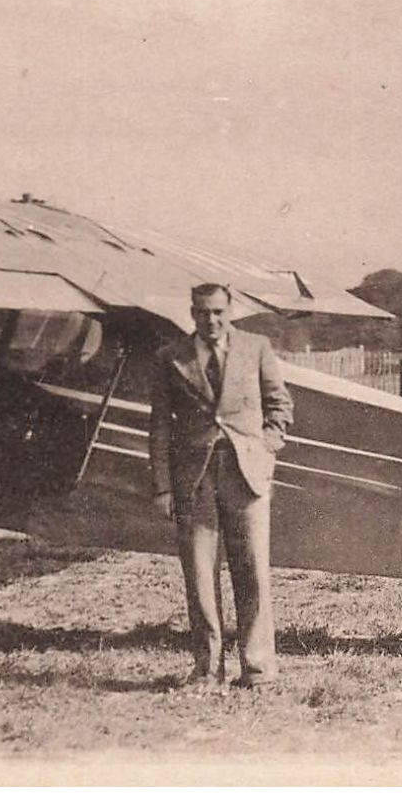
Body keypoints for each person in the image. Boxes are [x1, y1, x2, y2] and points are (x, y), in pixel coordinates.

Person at [149, 284, 294, 689]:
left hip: (246, 475)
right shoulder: (170, 357)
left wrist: (266, 448)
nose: (210, 320)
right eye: (201, 312)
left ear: (231, 311)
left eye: (218, 312)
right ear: (191, 313)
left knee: (252, 573)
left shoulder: (256, 346)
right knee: (199, 576)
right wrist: (162, 487)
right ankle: (207, 670)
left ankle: (258, 669)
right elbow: (159, 425)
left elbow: (279, 405)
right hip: (193, 480)